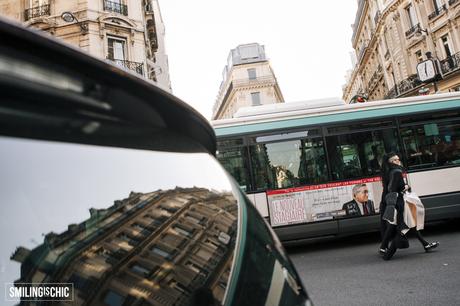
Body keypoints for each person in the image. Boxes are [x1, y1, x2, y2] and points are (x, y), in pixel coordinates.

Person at [379, 153, 439, 260]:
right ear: (392, 162)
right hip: (399, 203)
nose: (399, 160)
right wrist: (405, 188)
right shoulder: (396, 172)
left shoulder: (389, 171)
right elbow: (392, 188)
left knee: (407, 223)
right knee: (405, 225)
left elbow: (390, 188)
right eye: (397, 159)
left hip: (394, 202)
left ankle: (425, 244)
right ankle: (386, 252)